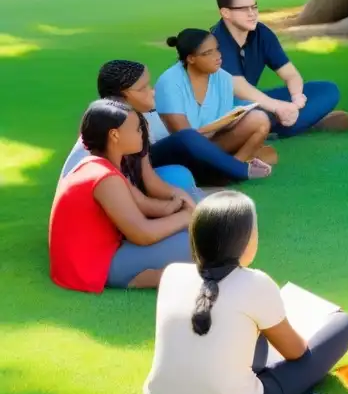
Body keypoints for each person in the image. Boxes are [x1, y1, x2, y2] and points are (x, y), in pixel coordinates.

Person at [144, 191, 348, 394]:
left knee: (252, 333)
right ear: (246, 240)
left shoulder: (172, 274)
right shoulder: (256, 283)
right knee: (344, 325)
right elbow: (297, 352)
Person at [49, 99, 194, 293]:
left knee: (191, 237)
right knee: (195, 243)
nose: (142, 134)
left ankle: (162, 274)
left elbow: (141, 203)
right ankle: (145, 276)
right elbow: (143, 234)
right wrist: (185, 218)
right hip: (96, 266)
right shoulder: (104, 177)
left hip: (97, 256)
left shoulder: (99, 165)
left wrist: (176, 207)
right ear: (115, 135)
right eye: (137, 130)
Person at [211, 0, 348, 137]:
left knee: (328, 90)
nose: (252, 14)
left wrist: (297, 99)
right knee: (251, 113)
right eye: (244, 9)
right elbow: (237, 87)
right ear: (225, 13)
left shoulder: (261, 33)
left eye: (254, 7)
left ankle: (287, 122)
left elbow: (290, 74)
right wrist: (277, 106)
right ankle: (299, 122)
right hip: (224, 111)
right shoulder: (214, 41)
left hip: (253, 103)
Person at [60, 60, 201, 204]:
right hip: (103, 198)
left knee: (179, 174)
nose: (152, 92)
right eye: (142, 89)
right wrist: (182, 204)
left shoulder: (121, 119)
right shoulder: (117, 127)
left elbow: (147, 178)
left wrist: (182, 199)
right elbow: (142, 190)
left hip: (121, 189)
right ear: (122, 95)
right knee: (178, 185)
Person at [154, 29, 274, 183]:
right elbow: (184, 138)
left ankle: (229, 171)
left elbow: (222, 120)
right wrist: (209, 131)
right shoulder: (170, 82)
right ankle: (238, 170)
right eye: (208, 53)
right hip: (181, 150)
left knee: (259, 118)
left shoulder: (222, 78)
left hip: (212, 141)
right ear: (191, 59)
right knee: (190, 138)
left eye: (217, 49)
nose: (218, 56)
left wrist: (231, 120)